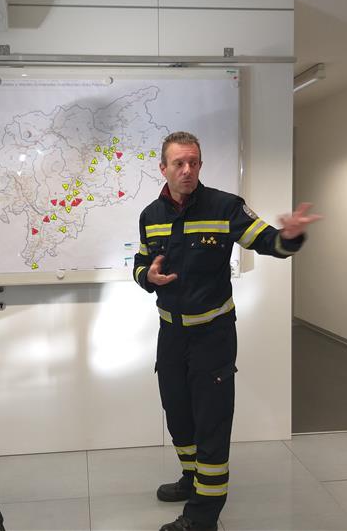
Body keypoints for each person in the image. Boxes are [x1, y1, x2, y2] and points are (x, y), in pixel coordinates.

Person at [132, 132, 321, 531]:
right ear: (162, 167)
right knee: (178, 415)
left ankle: (203, 518)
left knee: (212, 424)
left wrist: (290, 237)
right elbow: (142, 262)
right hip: (171, 336)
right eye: (179, 163)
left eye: (194, 162)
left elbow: (268, 241)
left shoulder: (224, 207)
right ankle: (192, 478)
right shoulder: (151, 215)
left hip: (212, 337)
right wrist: (145, 276)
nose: (187, 170)